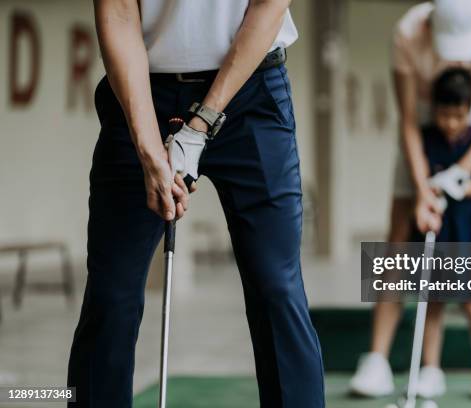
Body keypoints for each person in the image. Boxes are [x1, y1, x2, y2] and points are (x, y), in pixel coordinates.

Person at [67, 1, 325, 407]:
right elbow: (117, 14)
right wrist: (148, 145)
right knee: (111, 293)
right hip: (140, 91)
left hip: (250, 91)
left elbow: (269, 7)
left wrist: (201, 123)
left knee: (276, 285)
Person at [350, 0, 471, 398]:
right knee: (398, 241)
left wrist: (460, 173)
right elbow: (406, 120)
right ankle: (377, 359)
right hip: (424, 128)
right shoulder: (407, 32)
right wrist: (425, 188)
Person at [412, 68, 471, 400]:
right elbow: (420, 178)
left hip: (470, 229)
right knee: (433, 303)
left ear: (468, 109)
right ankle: (431, 371)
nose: (451, 122)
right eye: (445, 114)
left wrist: (458, 185)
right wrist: (431, 189)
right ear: (434, 108)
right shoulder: (425, 136)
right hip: (438, 229)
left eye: (458, 115)